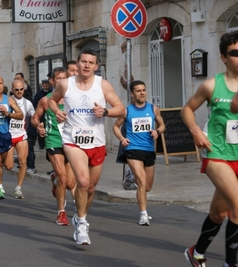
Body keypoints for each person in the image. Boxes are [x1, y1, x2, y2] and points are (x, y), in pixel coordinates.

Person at [48, 48, 124, 245]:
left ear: (96, 66)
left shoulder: (103, 85)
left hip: (96, 142)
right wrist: (57, 111)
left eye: (91, 63)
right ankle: (81, 224)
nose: (87, 65)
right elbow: (51, 100)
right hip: (72, 140)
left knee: (90, 188)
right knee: (82, 181)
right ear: (77, 63)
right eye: (83, 62)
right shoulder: (66, 84)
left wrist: (105, 111)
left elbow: (121, 108)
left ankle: (80, 215)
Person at [182, 31, 238, 267]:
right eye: (235, 53)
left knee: (218, 213)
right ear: (224, 57)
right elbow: (187, 110)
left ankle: (196, 253)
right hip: (217, 154)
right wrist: (195, 131)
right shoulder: (212, 85)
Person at [113, 80, 165, 226]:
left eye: (143, 90)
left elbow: (162, 125)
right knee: (142, 181)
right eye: (138, 91)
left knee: (147, 187)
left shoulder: (153, 109)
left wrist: (157, 131)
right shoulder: (127, 111)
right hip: (132, 148)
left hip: (149, 149)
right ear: (132, 94)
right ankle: (143, 214)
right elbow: (116, 127)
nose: (142, 93)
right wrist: (122, 139)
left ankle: (130, 178)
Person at [31, 66, 76, 226]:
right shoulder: (46, 100)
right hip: (54, 140)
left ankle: (55, 180)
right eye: (59, 78)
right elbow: (35, 117)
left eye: (65, 78)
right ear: (52, 81)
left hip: (71, 141)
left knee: (70, 183)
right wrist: (39, 126)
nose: (63, 81)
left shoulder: (74, 98)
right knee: (63, 178)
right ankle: (61, 213)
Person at [3, 79, 35, 199]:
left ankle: (18, 188)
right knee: (9, 166)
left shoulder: (27, 103)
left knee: (23, 162)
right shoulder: (7, 101)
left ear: (24, 89)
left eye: (21, 89)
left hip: (21, 136)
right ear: (12, 90)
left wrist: (39, 125)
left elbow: (34, 116)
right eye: (16, 89)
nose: (19, 92)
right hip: (8, 136)